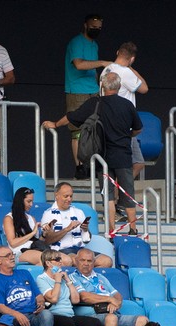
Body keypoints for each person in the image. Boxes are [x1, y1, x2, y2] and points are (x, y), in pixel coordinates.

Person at [44, 72, 143, 232]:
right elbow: (138, 128)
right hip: (123, 155)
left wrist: (55, 124)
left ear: (102, 85)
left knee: (108, 195)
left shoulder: (95, 103)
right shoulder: (127, 105)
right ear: (118, 87)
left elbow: (72, 117)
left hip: (101, 156)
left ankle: (111, 231)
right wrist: (127, 135)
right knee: (128, 193)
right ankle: (133, 229)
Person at [64, 14, 111, 179]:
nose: (96, 30)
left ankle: (92, 165)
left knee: (95, 129)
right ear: (85, 25)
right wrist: (102, 63)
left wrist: (101, 85)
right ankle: (80, 167)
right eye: (93, 26)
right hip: (77, 90)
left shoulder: (94, 44)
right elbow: (79, 64)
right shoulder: (77, 42)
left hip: (94, 90)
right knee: (77, 129)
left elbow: (92, 69)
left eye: (99, 28)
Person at [70, 248, 148, 326]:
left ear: (94, 262)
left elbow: (117, 295)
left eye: (89, 261)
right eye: (82, 260)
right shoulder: (73, 277)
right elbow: (84, 297)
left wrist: (115, 304)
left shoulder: (101, 277)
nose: (86, 263)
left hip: (112, 313)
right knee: (112, 319)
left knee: (143, 320)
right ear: (76, 261)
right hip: (92, 315)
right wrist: (109, 299)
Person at [99, 42, 149, 178]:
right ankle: (117, 194)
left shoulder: (106, 70)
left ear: (117, 52)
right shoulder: (126, 72)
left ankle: (115, 193)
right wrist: (132, 69)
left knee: (131, 163)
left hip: (107, 122)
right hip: (122, 123)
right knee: (130, 164)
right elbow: (144, 88)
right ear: (132, 59)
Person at [40, 183, 113, 267]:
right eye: (66, 196)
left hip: (80, 249)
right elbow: (47, 241)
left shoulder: (78, 212)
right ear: (57, 195)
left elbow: (86, 240)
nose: (69, 199)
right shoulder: (48, 214)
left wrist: (85, 230)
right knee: (76, 261)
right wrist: (67, 229)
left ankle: (90, 279)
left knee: (107, 261)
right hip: (61, 250)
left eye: (71, 196)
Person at [0, 246, 53, 326]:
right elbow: (0, 307)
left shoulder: (24, 273)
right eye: (8, 255)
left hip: (33, 315)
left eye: (13, 254)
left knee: (47, 314)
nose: (12, 257)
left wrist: (41, 303)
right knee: (4, 324)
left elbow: (38, 295)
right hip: (12, 316)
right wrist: (17, 315)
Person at [37, 249, 103, 326]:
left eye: (60, 259)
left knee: (96, 324)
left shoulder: (63, 278)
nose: (61, 262)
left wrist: (68, 280)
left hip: (70, 315)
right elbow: (53, 299)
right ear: (48, 263)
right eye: (57, 260)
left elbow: (75, 300)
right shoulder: (41, 278)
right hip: (54, 314)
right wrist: (57, 281)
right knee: (68, 323)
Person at [3, 187, 45, 265]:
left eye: (32, 201)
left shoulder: (32, 218)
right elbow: (13, 243)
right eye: (28, 201)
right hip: (19, 252)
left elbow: (37, 241)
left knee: (66, 260)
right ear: (20, 201)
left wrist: (45, 234)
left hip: (35, 249)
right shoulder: (9, 218)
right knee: (45, 258)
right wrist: (32, 233)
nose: (31, 204)